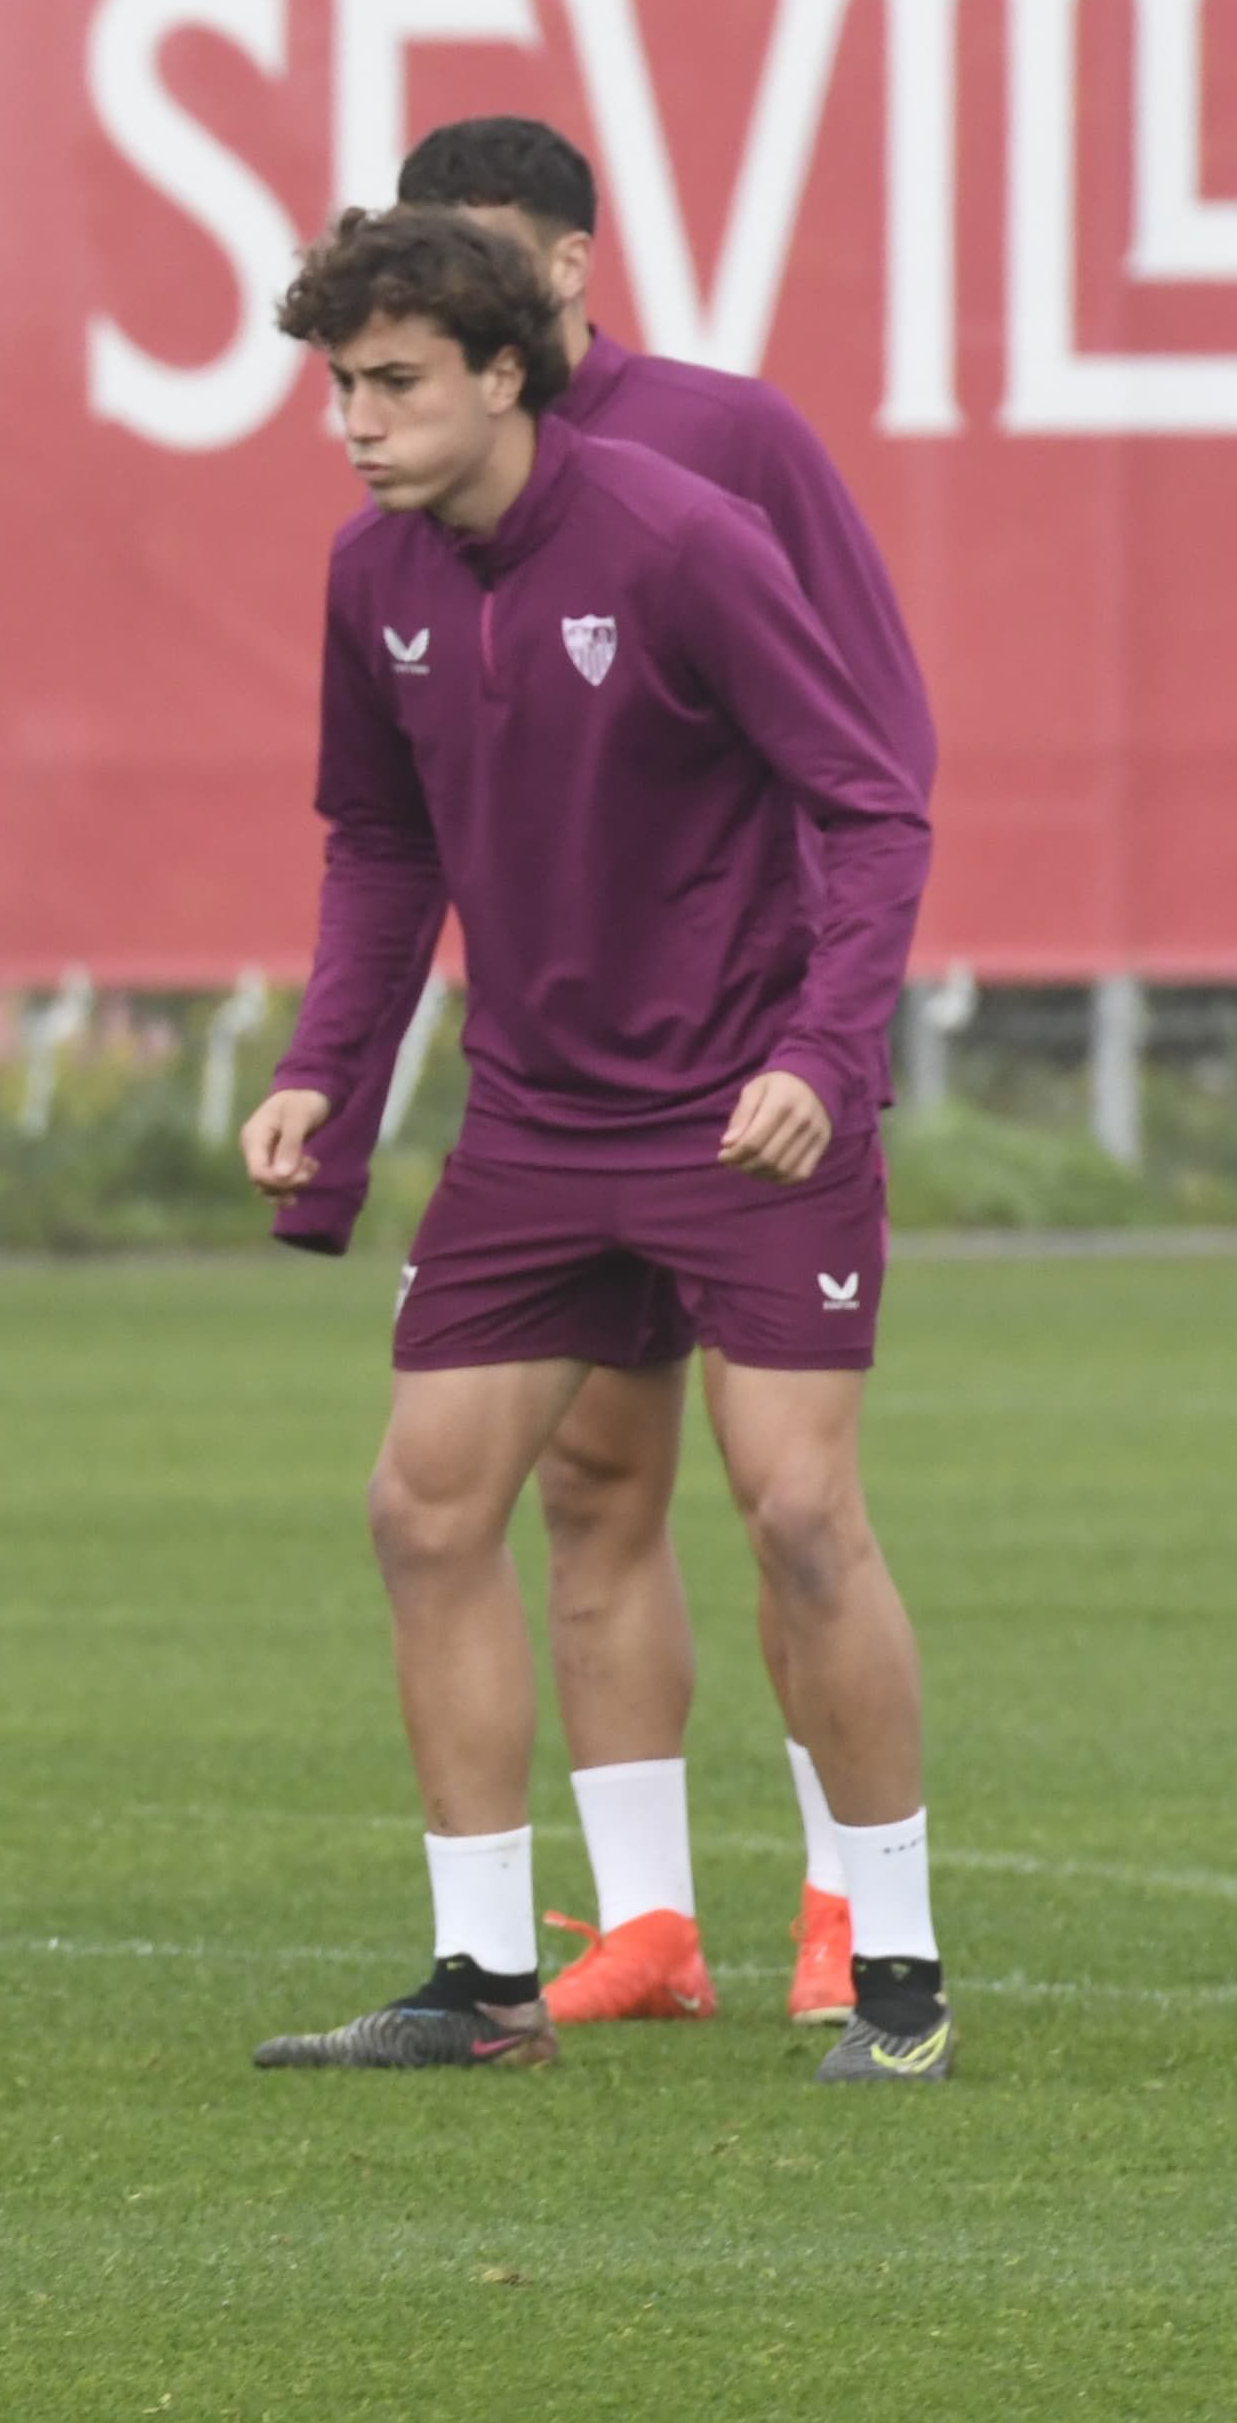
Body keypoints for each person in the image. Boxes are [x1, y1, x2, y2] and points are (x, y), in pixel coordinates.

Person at [239, 205, 948, 2085]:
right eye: (337, 385)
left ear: (499, 372)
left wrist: (826, 1048)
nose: (356, 421)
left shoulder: (683, 541)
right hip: (537, 1124)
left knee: (800, 1511)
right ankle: (482, 1983)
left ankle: (897, 1977)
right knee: (423, 1508)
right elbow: (383, 851)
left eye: (392, 383)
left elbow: (870, 805)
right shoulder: (367, 576)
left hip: (745, 1115)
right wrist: (331, 1071)